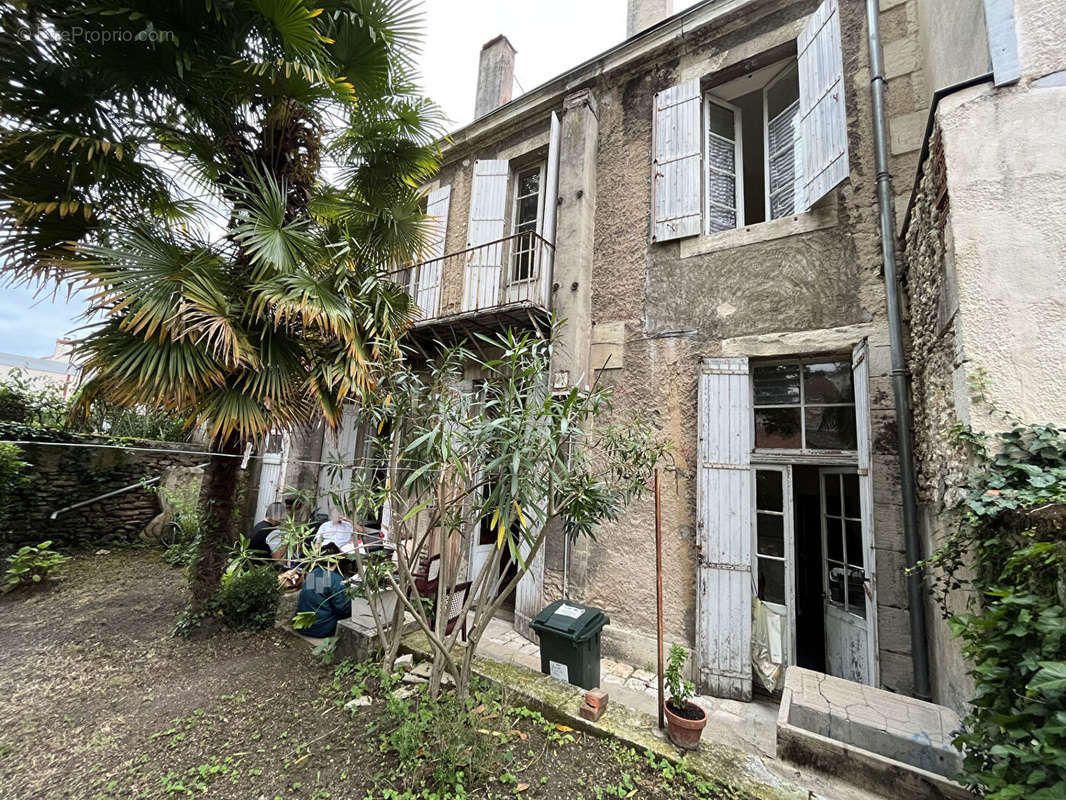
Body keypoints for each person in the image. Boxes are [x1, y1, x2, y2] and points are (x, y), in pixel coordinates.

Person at [295, 543, 352, 637]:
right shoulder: (335, 580)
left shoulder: (313, 573)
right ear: (337, 560)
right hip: (322, 629)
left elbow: (318, 594)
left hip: (303, 625)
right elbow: (343, 609)